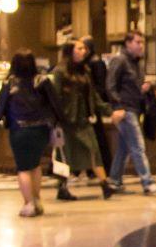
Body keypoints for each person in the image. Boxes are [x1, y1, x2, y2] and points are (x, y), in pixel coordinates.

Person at [0, 52, 66, 217]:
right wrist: (61, 123)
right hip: (41, 129)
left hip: (19, 130)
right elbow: (55, 103)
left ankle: (28, 203)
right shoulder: (42, 81)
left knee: (23, 168)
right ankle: (37, 200)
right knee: (35, 165)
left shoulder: (9, 83)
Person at [48, 40, 122, 201]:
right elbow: (54, 97)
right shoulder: (60, 71)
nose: (84, 51)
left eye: (84, 48)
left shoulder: (85, 71)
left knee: (94, 150)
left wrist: (108, 110)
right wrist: (55, 121)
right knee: (64, 156)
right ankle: (62, 187)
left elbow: (93, 96)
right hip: (66, 122)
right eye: (80, 48)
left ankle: (105, 184)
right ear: (70, 51)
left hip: (84, 120)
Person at [106, 30, 156, 193]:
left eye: (142, 42)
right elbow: (110, 85)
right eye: (137, 42)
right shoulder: (120, 60)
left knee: (125, 147)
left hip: (133, 108)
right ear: (128, 43)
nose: (141, 46)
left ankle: (114, 180)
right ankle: (147, 181)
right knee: (137, 145)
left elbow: (129, 86)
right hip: (125, 109)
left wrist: (142, 89)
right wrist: (118, 106)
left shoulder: (135, 63)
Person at [82, 36, 113, 172]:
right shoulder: (89, 63)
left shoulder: (95, 63)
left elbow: (100, 86)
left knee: (98, 139)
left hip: (93, 107)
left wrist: (95, 102)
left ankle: (103, 168)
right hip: (91, 105)